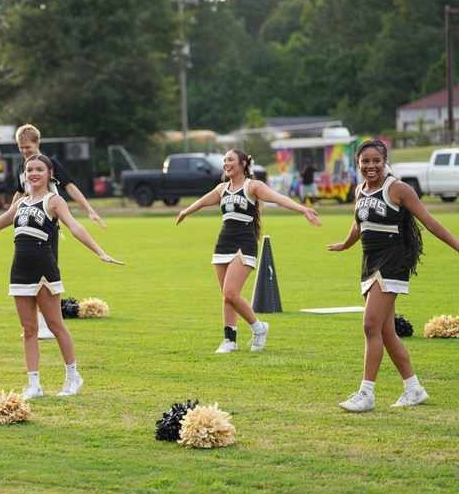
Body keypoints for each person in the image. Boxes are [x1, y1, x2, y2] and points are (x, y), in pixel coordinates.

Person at [0, 154, 123, 399]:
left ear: (49, 173)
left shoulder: (54, 201)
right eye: (29, 169)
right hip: (19, 270)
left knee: (55, 325)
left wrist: (100, 252)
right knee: (29, 328)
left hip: (44, 270)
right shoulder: (20, 203)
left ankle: (73, 376)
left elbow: (75, 227)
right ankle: (34, 385)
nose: (33, 173)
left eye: (39, 169)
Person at [327, 139, 459, 412]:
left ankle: (366, 394)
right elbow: (358, 223)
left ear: (385, 161)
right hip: (369, 261)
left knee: (369, 325)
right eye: (365, 161)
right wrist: (345, 244)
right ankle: (414, 389)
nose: (371, 166)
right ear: (358, 164)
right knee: (386, 332)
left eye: (376, 160)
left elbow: (430, 222)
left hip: (392, 261)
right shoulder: (359, 190)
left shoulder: (398, 188)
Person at [176, 149, 322, 353]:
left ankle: (259, 328)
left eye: (231, 160)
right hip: (223, 243)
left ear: (243, 164)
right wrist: (184, 211)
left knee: (231, 292)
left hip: (244, 243)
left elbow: (278, 198)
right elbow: (202, 202)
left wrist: (303, 209)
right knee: (226, 296)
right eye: (225, 160)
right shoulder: (221, 188)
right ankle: (230, 340)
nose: (226, 163)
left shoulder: (253, 186)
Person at [13, 123, 107, 339]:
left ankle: (47, 324)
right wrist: (9, 217)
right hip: (28, 223)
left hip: (48, 223)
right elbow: (19, 194)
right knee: (28, 272)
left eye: (27, 147)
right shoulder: (21, 168)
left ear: (38, 143)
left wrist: (89, 209)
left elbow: (70, 186)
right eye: (20, 148)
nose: (24, 151)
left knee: (48, 270)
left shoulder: (49, 164)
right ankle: (36, 324)